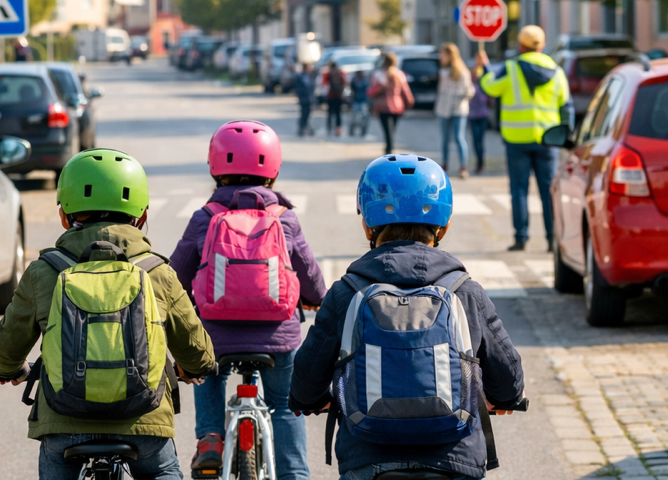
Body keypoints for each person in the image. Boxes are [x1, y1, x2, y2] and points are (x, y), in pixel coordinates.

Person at [289, 154, 525, 480]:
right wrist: (502, 399)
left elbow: (305, 380)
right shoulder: (465, 291)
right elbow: (509, 379)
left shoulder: (346, 293)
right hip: (454, 459)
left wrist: (316, 400)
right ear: (444, 225)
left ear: (366, 223)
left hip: (367, 460)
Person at [0, 149, 217, 480]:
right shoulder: (157, 271)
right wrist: (195, 367)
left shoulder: (43, 271)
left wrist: (5, 368)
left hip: (64, 424)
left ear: (64, 215)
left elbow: (8, 343)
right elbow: (195, 347)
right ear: (142, 215)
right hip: (143, 421)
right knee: (163, 471)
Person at [171, 121, 328, 480]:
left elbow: (177, 275)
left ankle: (210, 438)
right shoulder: (284, 218)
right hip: (278, 336)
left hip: (216, 334)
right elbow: (309, 275)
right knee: (285, 408)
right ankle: (295, 474)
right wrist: (315, 299)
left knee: (206, 373)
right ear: (273, 169)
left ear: (215, 166)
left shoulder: (206, 218)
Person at [477, 25, 573, 252]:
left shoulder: (510, 68)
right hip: (547, 141)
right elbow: (566, 105)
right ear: (542, 45)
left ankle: (521, 238)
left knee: (519, 190)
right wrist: (566, 137)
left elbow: (489, 88)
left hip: (517, 139)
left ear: (520, 45)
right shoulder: (557, 70)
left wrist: (485, 68)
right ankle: (552, 239)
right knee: (548, 190)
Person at [436, 43, 475, 178]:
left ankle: (463, 166)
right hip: (443, 109)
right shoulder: (442, 71)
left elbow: (470, 91)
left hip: (458, 109)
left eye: (443, 54)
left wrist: (458, 96)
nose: (441, 57)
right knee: (445, 139)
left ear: (450, 55)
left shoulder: (463, 72)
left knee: (459, 138)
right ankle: (444, 164)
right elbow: (440, 91)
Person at [368, 52, 414, 154]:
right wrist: (409, 101)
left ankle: (389, 150)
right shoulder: (399, 74)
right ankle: (389, 148)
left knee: (387, 131)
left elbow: (372, 91)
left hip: (383, 106)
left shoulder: (379, 75)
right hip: (397, 106)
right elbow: (405, 90)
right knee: (392, 130)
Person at [469, 62, 493, 175]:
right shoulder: (471, 86)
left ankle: (480, 162)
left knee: (480, 141)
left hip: (482, 116)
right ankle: (479, 162)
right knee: (476, 141)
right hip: (473, 117)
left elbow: (490, 101)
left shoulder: (484, 87)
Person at [324, 61, 347, 136]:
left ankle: (329, 127)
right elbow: (345, 83)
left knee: (330, 113)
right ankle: (338, 129)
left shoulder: (328, 74)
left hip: (331, 95)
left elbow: (324, 83)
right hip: (339, 96)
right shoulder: (340, 73)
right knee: (338, 114)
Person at [295, 63, 316, 136]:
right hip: (303, 99)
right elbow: (298, 89)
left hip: (310, 99)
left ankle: (308, 128)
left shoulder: (310, 76)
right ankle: (302, 128)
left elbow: (312, 87)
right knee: (303, 114)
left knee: (308, 114)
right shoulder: (299, 76)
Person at [349, 70, 370, 136]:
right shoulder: (354, 80)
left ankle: (363, 131)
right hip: (356, 100)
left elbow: (368, 90)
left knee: (364, 117)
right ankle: (352, 131)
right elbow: (352, 88)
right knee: (354, 117)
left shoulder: (365, 80)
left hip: (363, 101)